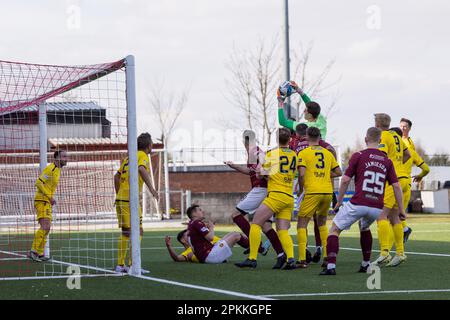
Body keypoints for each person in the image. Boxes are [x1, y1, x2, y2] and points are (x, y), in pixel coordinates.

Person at [320, 127, 404, 275]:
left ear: (366, 139)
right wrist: (402, 210)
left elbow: (345, 180)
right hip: (377, 207)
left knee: (334, 229)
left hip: (359, 202)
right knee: (364, 227)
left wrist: (339, 202)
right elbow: (396, 186)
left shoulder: (358, 155)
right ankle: (365, 264)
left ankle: (330, 267)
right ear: (380, 141)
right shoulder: (387, 160)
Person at [235, 128, 300, 270]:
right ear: (289, 139)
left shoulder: (271, 153)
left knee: (255, 224)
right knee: (282, 230)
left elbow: (260, 174)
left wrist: (263, 173)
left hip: (276, 195)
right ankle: (290, 260)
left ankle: (252, 258)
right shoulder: (295, 155)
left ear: (276, 139)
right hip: (289, 196)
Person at [224, 130, 285, 260]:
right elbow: (251, 171)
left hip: (260, 190)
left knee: (236, 214)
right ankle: (281, 254)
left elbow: (266, 167)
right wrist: (235, 166)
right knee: (265, 226)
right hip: (264, 190)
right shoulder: (253, 152)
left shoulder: (254, 151)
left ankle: (257, 246)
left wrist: (263, 173)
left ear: (243, 141)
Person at [290, 123, 337, 263]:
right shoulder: (327, 153)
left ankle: (302, 259)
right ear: (319, 137)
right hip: (327, 192)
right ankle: (326, 256)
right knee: (322, 223)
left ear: (308, 136)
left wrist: (300, 189)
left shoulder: (304, 153)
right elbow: (338, 172)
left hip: (312, 192)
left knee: (301, 224)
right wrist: (323, 174)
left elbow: (302, 174)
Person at [114, 132, 159, 273]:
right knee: (138, 230)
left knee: (126, 232)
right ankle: (134, 265)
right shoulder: (142, 156)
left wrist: (119, 194)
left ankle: (120, 265)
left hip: (121, 198)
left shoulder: (128, 158)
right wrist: (152, 188)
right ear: (149, 145)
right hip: (130, 199)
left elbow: (116, 176)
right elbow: (141, 169)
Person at [373, 114, 410, 267]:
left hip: (391, 179)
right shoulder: (396, 136)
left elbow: (380, 156)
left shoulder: (383, 136)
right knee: (394, 217)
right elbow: (407, 155)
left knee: (381, 215)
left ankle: (384, 253)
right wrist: (398, 165)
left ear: (377, 123)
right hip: (402, 178)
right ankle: (400, 253)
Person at [389, 127, 430, 243]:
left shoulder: (392, 152)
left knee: (388, 214)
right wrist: (420, 176)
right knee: (398, 214)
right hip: (407, 184)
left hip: (396, 182)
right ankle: (404, 231)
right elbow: (426, 169)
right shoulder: (412, 152)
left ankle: (387, 249)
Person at [29, 150, 68, 262]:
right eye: (64, 156)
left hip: (46, 201)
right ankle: (33, 251)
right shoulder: (51, 168)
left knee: (47, 228)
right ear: (56, 158)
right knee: (45, 226)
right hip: (42, 200)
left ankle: (40, 253)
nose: (66, 159)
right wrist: (49, 196)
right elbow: (38, 182)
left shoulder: (58, 170)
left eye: (67, 157)